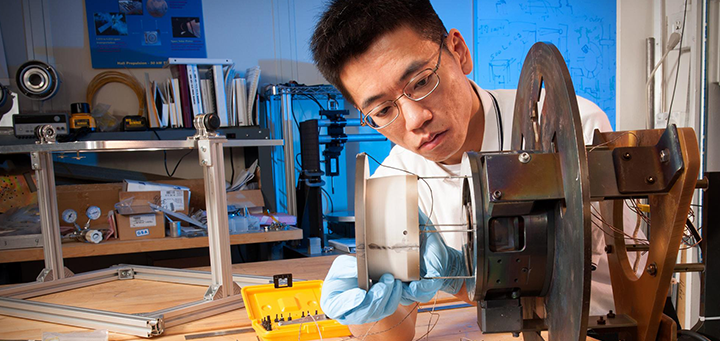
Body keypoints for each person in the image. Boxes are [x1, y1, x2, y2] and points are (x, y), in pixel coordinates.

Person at [310, 0, 622, 339]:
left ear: (459, 52)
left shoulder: (566, 130)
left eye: (420, 82)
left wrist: (462, 278)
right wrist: (363, 293)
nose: (416, 120)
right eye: (384, 110)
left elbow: (585, 276)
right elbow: (392, 335)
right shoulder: (393, 181)